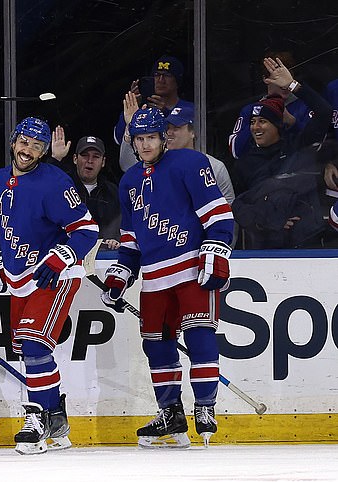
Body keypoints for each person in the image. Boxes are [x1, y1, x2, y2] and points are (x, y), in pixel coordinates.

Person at [0, 117, 98, 454]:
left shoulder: (54, 182)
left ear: (43, 152)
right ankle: (56, 420)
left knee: (34, 345)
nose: (29, 150)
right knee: (28, 350)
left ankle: (40, 416)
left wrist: (63, 256)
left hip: (53, 274)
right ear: (14, 142)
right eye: (25, 142)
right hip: (19, 279)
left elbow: (87, 229)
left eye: (37, 146)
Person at [101, 106, 234, 448]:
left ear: (163, 137)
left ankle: (205, 408)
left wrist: (216, 249)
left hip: (191, 268)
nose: (145, 145)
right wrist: (121, 274)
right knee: (156, 347)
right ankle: (170, 413)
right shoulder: (129, 182)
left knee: (199, 335)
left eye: (150, 138)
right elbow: (130, 240)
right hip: (155, 279)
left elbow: (218, 215)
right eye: (139, 139)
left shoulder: (189, 163)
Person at [232, 57, 333, 249]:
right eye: (253, 122)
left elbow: (324, 112)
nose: (255, 127)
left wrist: (293, 85)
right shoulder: (245, 163)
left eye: (263, 121)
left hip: (307, 245)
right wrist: (271, 222)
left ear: (278, 124)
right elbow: (239, 207)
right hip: (264, 248)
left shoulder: (298, 146)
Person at [50, 126, 120, 249]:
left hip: (105, 259)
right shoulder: (62, 186)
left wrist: (115, 239)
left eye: (96, 156)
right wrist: (55, 159)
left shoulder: (113, 192)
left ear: (103, 162)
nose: (90, 161)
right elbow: (41, 189)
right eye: (85, 155)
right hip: (67, 256)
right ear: (75, 159)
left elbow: (123, 226)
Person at [113, 55, 194, 146]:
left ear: (177, 80)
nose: (161, 80)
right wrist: (132, 108)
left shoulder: (190, 109)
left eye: (167, 75)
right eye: (157, 75)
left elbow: (189, 140)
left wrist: (166, 114)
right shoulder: (144, 110)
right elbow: (119, 139)